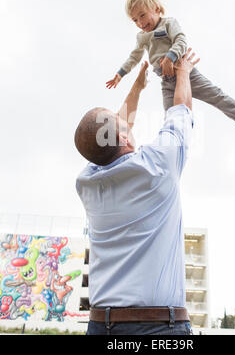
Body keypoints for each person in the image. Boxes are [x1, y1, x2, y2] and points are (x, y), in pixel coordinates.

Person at [74, 49, 199, 335]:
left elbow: (110, 135)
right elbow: (181, 110)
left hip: (101, 325)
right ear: (122, 136)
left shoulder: (87, 182)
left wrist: (138, 86)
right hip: (158, 328)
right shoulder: (158, 165)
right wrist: (183, 72)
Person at [106, 0, 235, 138]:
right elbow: (134, 57)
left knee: (216, 95)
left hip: (187, 74)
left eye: (142, 15)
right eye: (135, 20)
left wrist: (171, 57)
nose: (140, 23)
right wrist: (120, 74)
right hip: (167, 82)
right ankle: (177, 145)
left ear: (155, 8)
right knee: (171, 119)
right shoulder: (141, 37)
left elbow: (181, 40)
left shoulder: (168, 23)